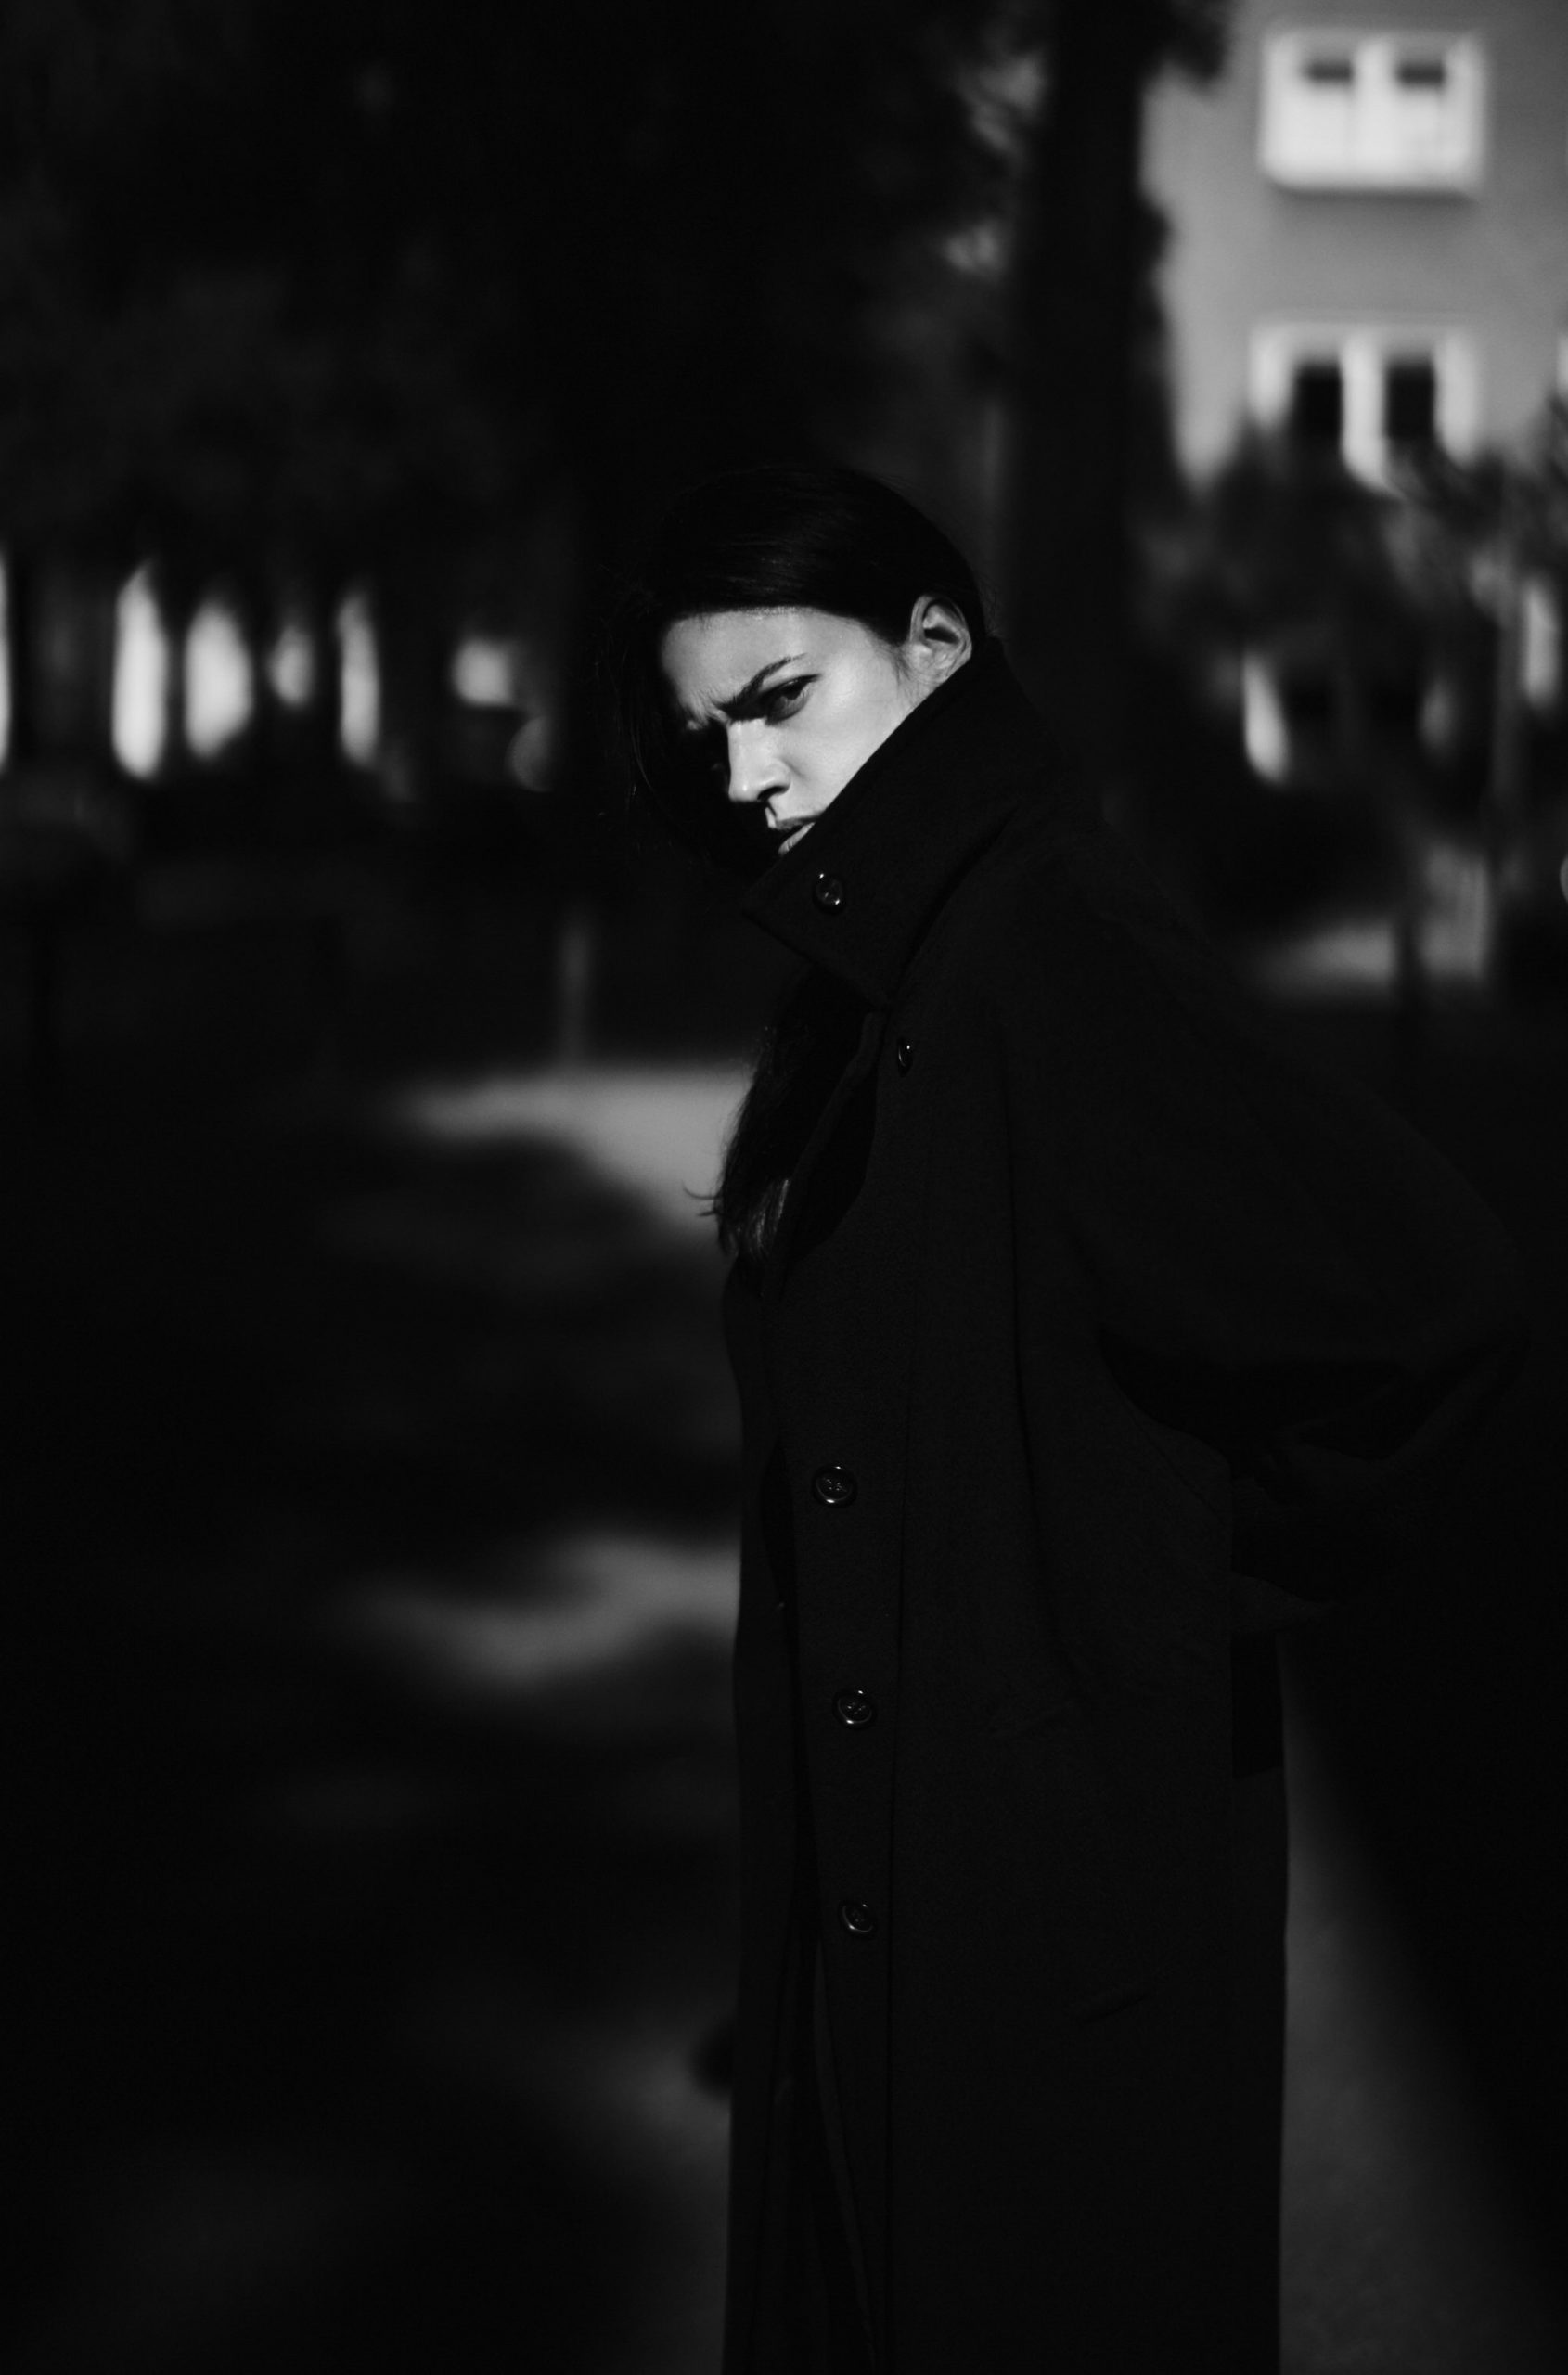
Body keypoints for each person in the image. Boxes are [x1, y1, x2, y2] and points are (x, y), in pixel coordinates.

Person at [609, 464, 1526, 2374]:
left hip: (1044, 1908)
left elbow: (1421, 1309)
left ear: (934, 648)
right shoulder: (897, 961)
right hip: (910, 1890)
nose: (748, 774)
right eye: (709, 737)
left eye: (781, 699)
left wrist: (1143, 1597)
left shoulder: (1048, 943)